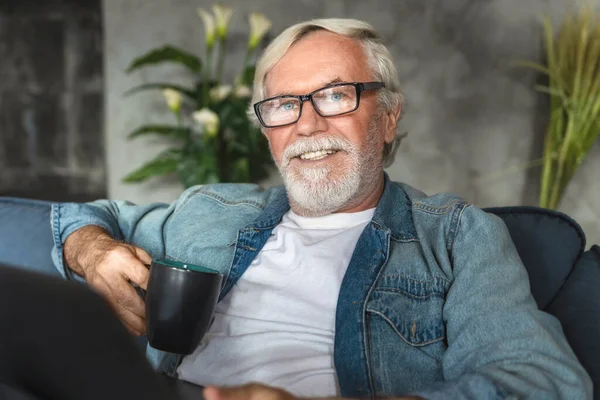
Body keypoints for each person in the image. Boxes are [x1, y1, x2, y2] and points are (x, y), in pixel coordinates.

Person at [49, 18, 591, 400]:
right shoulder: (213, 207)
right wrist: (93, 252)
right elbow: (91, 217)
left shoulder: (456, 236)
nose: (307, 126)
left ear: (389, 118)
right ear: (266, 133)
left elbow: (542, 381)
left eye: (336, 96)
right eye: (284, 106)